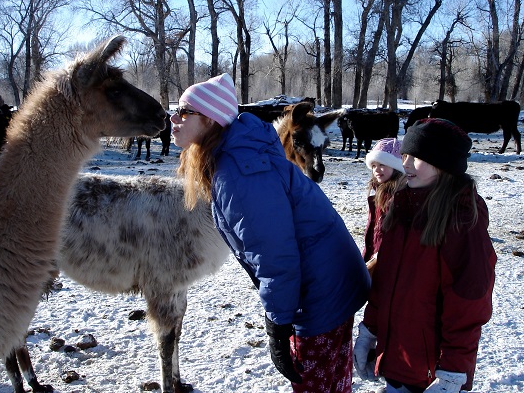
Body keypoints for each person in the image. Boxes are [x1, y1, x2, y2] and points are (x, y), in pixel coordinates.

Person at [171, 73, 371, 392]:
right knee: (332, 382)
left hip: (320, 293)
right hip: (329, 281)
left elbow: (274, 255)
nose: (174, 118)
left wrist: (277, 323)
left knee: (316, 386)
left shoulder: (240, 172)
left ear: (209, 120)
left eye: (184, 112)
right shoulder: (239, 154)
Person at [353, 118, 497, 393]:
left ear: (443, 164)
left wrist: (454, 370)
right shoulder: (400, 207)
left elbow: (469, 301)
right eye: (404, 155)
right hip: (396, 358)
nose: (405, 165)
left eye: (416, 157)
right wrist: (370, 330)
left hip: (432, 371)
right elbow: (384, 282)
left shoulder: (461, 219)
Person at [363, 138, 406, 276]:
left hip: (388, 263)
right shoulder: (380, 193)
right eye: (374, 165)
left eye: (382, 164)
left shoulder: (399, 197)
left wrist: (377, 258)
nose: (376, 170)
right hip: (375, 257)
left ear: (397, 166)